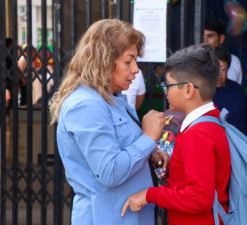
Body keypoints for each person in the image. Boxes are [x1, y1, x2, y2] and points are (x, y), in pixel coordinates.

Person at [49, 19, 168, 225]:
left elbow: (119, 149)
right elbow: (109, 172)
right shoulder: (86, 104)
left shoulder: (111, 98)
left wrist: (149, 153)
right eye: (128, 61)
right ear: (104, 60)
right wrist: (148, 138)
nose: (136, 70)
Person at [121, 44, 231, 225]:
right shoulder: (211, 121)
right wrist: (175, 168)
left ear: (188, 90)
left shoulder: (197, 134)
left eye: (169, 85)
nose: (166, 92)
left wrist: (149, 195)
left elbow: (198, 197)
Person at [213, 47, 247, 141]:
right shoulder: (203, 92)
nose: (219, 73)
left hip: (239, 146)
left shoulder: (237, 90)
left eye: (223, 69)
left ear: (228, 69)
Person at [204, 20, 243, 84]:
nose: (205, 41)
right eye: (201, 36)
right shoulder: (191, 61)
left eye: (210, 36)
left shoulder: (233, 61)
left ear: (221, 39)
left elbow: (231, 90)